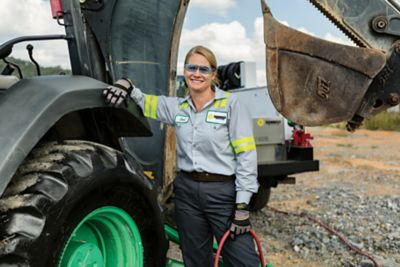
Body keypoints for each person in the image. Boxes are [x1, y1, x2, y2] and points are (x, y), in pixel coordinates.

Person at [103, 45, 260, 266]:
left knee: (244, 261)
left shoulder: (231, 105)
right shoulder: (178, 107)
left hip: (222, 193)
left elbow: (246, 155)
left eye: (204, 69)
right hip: (187, 193)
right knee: (194, 260)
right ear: (185, 71)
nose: (197, 73)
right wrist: (125, 84)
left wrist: (242, 205)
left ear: (213, 74)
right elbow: (144, 101)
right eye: (191, 67)